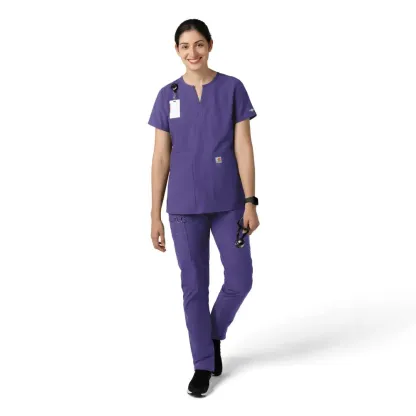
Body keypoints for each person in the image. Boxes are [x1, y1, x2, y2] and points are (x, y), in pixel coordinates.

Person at [148, 18, 260, 397]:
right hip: (183, 206)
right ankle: (202, 364)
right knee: (194, 287)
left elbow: (243, 147)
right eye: (185, 46)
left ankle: (212, 335)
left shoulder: (232, 88)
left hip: (229, 202)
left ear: (210, 45)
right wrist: (154, 214)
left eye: (198, 44)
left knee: (240, 279)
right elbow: (160, 158)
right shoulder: (167, 95)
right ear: (177, 50)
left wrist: (250, 200)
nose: (192, 52)